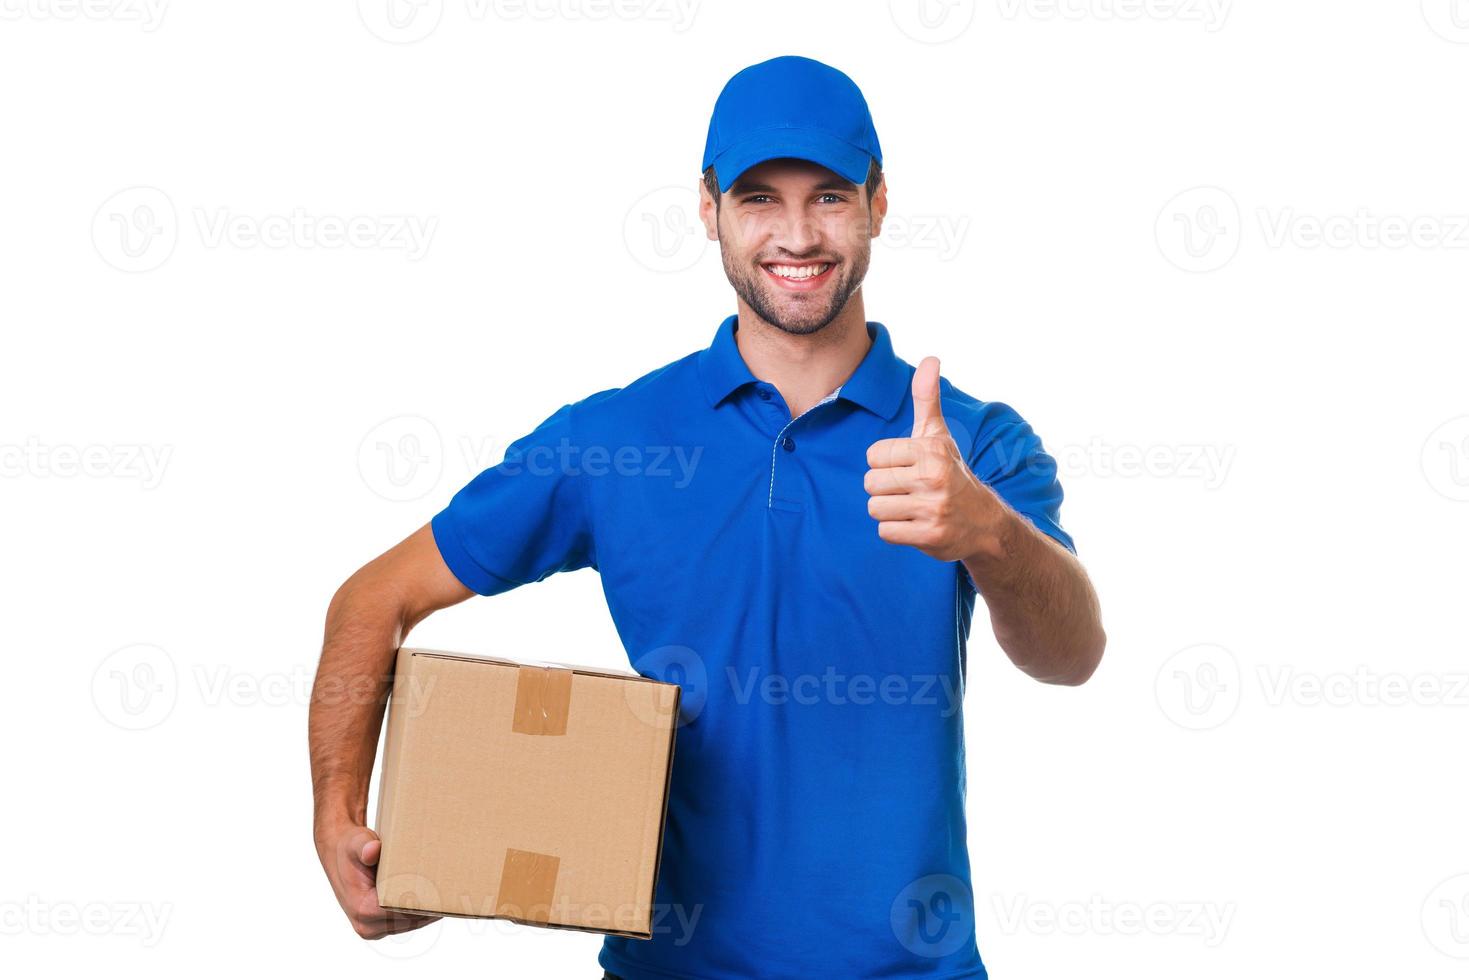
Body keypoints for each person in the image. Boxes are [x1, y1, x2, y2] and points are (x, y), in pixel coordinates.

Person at [310, 54, 1105, 979]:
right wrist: (337, 815)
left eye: (831, 197)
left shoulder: (972, 445)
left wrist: (988, 533)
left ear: (879, 203)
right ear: (707, 208)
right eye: (760, 197)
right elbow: (372, 600)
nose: (797, 234)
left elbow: (1072, 656)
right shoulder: (616, 440)